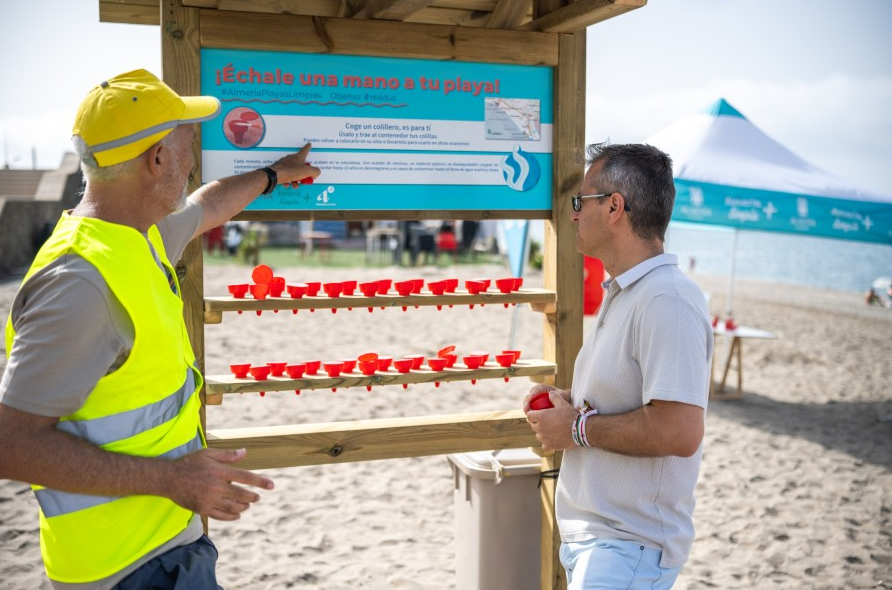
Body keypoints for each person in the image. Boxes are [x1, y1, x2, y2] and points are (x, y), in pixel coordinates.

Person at [0, 69, 320, 589]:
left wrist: (273, 175)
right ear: (157, 160)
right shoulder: (79, 283)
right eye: (188, 144)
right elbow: (10, 446)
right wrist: (172, 479)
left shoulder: (134, 235)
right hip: (123, 568)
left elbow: (209, 204)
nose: (193, 161)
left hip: (164, 545)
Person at [524, 142, 713, 589]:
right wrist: (573, 407)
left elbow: (679, 430)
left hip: (627, 547)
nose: (573, 214)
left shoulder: (666, 299)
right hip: (608, 545)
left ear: (614, 207)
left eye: (581, 200)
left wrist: (574, 428)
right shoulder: (632, 292)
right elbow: (630, 399)